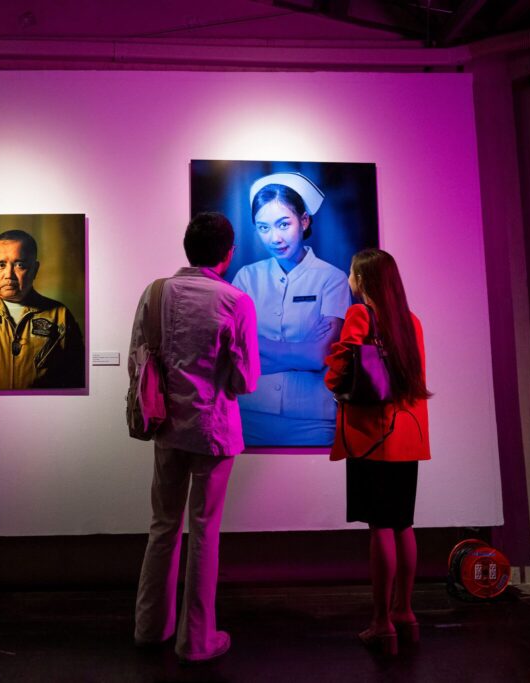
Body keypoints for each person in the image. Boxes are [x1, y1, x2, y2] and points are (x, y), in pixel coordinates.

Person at [131, 212, 260, 663]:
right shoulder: (235, 301)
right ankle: (197, 640)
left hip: (165, 426)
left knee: (163, 525)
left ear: (187, 248)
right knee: (204, 531)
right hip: (212, 429)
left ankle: (150, 627)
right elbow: (246, 381)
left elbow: (137, 359)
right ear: (228, 253)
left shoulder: (155, 292)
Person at [323, 248, 431, 656]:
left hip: (371, 437)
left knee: (380, 527)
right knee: (403, 524)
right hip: (407, 436)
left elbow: (340, 370)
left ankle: (382, 623)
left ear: (363, 279)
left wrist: (332, 376)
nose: (349, 278)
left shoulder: (360, 315)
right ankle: (406, 613)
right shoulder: (411, 321)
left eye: (352, 272)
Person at [231, 172, 350, 446]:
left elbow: (320, 355)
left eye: (283, 224)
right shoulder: (246, 278)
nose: (274, 237)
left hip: (314, 419)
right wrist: (302, 349)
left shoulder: (332, 278)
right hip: (250, 414)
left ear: (304, 220)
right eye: (263, 228)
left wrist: (260, 349)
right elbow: (235, 351)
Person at [0, 229, 84, 390]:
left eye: (20, 265)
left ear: (35, 269)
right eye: (0, 265)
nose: (9, 274)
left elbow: (75, 378)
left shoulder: (60, 315)